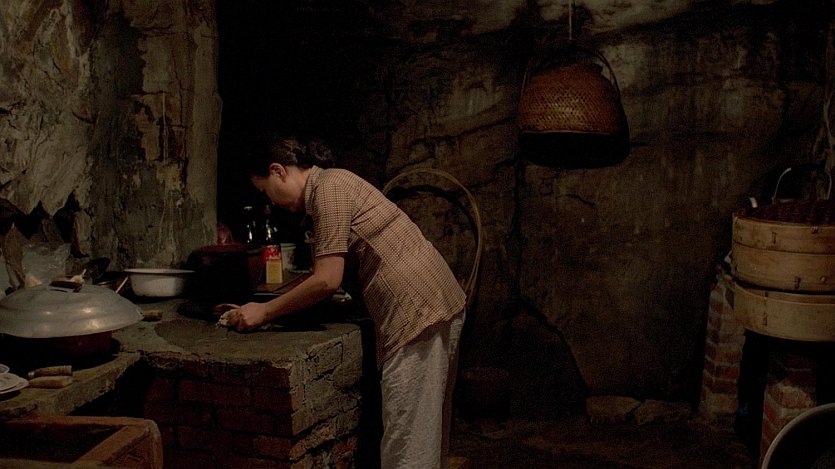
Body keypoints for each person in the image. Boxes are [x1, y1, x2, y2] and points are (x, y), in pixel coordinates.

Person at [224, 135, 467, 469]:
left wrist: (264, 311)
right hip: (435, 298)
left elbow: (327, 279)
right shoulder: (332, 184)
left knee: (408, 444)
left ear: (278, 171)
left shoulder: (329, 189)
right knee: (426, 436)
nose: (272, 202)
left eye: (266, 191)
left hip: (416, 310)